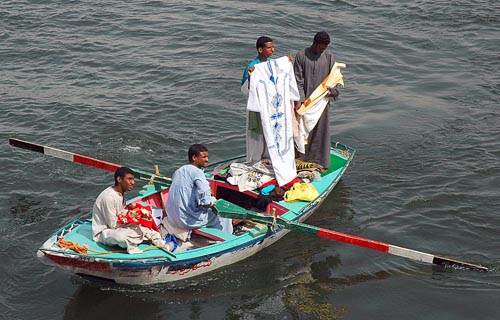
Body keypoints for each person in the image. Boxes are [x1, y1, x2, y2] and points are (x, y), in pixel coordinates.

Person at [164, 144, 233, 241]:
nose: (207, 160)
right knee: (223, 216)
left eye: (207, 157)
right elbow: (206, 202)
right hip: (186, 221)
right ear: (194, 158)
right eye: (204, 157)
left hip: (172, 217)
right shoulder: (198, 173)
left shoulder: (179, 171)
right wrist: (212, 200)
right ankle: (225, 240)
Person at [293, 31, 340, 169]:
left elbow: (335, 77)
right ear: (314, 43)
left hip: (321, 102)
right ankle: (299, 161)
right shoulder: (301, 56)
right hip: (305, 102)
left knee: (321, 130)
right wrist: (299, 100)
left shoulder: (329, 58)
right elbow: (297, 80)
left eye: (324, 48)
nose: (322, 50)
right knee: (301, 130)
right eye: (320, 47)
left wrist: (333, 91)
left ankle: (320, 161)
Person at [92, 167, 166, 254]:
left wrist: (136, 215)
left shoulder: (120, 194)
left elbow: (121, 213)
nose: (133, 182)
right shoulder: (109, 197)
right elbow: (112, 224)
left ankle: (163, 245)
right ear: (119, 179)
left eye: (133, 179)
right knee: (121, 237)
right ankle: (140, 240)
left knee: (149, 231)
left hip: (119, 226)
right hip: (105, 232)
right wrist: (131, 218)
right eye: (129, 179)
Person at [241, 36, 275, 163]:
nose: (272, 50)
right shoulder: (253, 66)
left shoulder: (272, 64)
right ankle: (254, 160)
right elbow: (244, 91)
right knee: (256, 136)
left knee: (270, 133)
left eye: (272, 46)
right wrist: (250, 78)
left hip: (270, 106)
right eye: (269, 47)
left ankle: (268, 159)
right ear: (260, 49)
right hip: (256, 107)